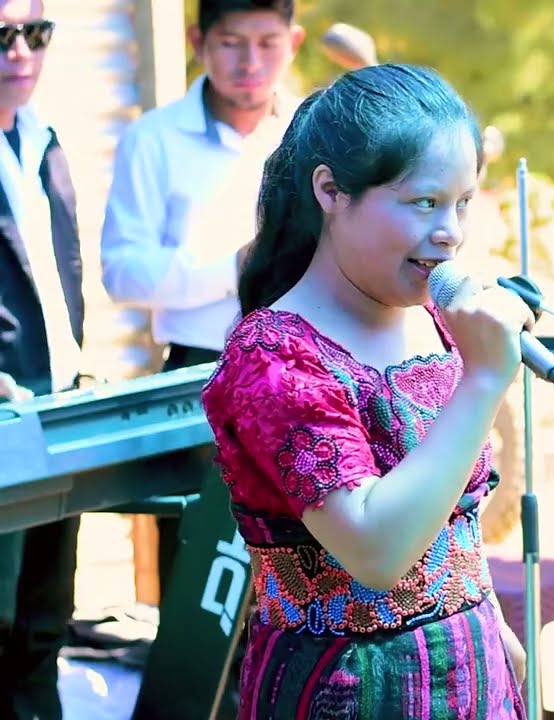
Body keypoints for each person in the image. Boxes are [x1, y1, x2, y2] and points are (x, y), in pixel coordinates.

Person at [200, 64, 529, 716]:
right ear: (330, 190)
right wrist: (485, 379)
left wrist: (489, 613)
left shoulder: (437, 321)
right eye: (423, 202)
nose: (450, 231)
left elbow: (451, 514)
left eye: (462, 203)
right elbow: (376, 549)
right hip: (350, 687)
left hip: (471, 671)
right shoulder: (274, 358)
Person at [99, 0, 303, 599]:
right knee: (196, 573)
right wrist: (232, 269)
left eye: (267, 43)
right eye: (232, 42)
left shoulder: (313, 134)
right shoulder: (153, 139)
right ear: (198, 41)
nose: (250, 62)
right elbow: (122, 272)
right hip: (198, 372)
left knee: (297, 558)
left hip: (302, 371)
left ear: (294, 41)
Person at [0, 2, 86, 716]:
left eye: (35, 34)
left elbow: (59, 278)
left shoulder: (43, 138)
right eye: (1, 36)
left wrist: (77, 364)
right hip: (3, 421)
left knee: (44, 618)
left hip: (57, 409)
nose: (20, 51)